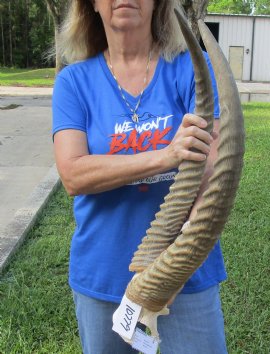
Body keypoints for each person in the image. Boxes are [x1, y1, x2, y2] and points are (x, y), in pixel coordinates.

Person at [52, 0, 228, 353]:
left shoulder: (191, 68)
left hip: (186, 277)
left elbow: (214, 175)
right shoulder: (74, 81)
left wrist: (172, 270)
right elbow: (73, 174)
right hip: (103, 278)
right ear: (92, 5)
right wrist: (165, 156)